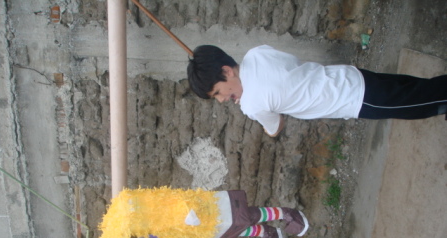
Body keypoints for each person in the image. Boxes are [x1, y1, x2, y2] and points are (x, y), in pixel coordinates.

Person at [187, 45, 447, 137]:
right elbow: (292, 65)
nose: (222, 100)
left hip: (359, 100)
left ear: (226, 72)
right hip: (351, 75)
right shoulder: (257, 53)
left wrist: (265, 119)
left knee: (423, 103)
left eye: (218, 93)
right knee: (419, 89)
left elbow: (275, 128)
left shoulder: (251, 104)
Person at [99, 187, 309, 238]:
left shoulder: (141, 211)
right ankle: (265, 232)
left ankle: (285, 213)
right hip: (192, 236)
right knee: (229, 232)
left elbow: (167, 198)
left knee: (240, 216)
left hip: (197, 215)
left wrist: (186, 211)